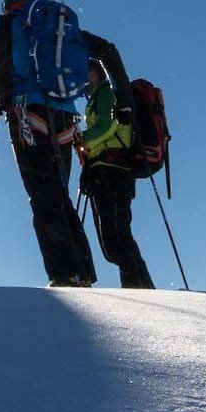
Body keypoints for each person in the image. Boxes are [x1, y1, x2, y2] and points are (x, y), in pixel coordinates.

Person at [0, 0, 130, 287]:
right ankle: (83, 272)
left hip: (27, 113)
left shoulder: (3, 23)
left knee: (42, 194)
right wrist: (124, 101)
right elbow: (108, 50)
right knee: (57, 193)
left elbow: (0, 64)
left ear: (8, 2)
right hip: (67, 116)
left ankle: (64, 274)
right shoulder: (58, 27)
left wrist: (0, 96)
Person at [78, 62, 157, 289]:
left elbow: (107, 127)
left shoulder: (106, 94)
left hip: (112, 171)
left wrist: (81, 139)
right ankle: (142, 290)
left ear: (96, 73)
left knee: (116, 241)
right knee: (117, 239)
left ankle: (139, 293)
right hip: (109, 171)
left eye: (86, 72)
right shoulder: (98, 97)